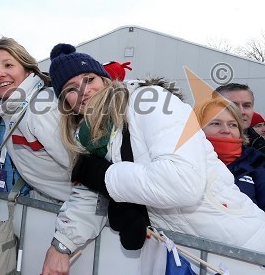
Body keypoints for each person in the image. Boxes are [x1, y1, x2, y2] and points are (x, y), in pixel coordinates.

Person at [48, 43, 265, 272]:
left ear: (105, 79)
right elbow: (88, 197)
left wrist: (105, 177)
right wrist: (61, 246)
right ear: (66, 104)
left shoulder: (150, 101)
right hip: (189, 254)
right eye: (71, 89)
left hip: (243, 247)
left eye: (89, 79)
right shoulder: (92, 137)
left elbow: (183, 182)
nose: (83, 91)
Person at [0, 38, 105, 275]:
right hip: (67, 220)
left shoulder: (42, 107)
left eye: (8, 65)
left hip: (86, 227)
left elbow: (93, 179)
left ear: (27, 69)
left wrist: (63, 243)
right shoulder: (15, 109)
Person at [194, 97, 265, 210]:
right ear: (197, 129)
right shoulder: (183, 163)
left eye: (232, 125)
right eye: (216, 123)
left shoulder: (257, 163)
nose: (226, 130)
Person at [215, 83, 265, 153]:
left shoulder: (260, 147)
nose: (241, 112)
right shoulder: (198, 146)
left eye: (246, 105)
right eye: (233, 106)